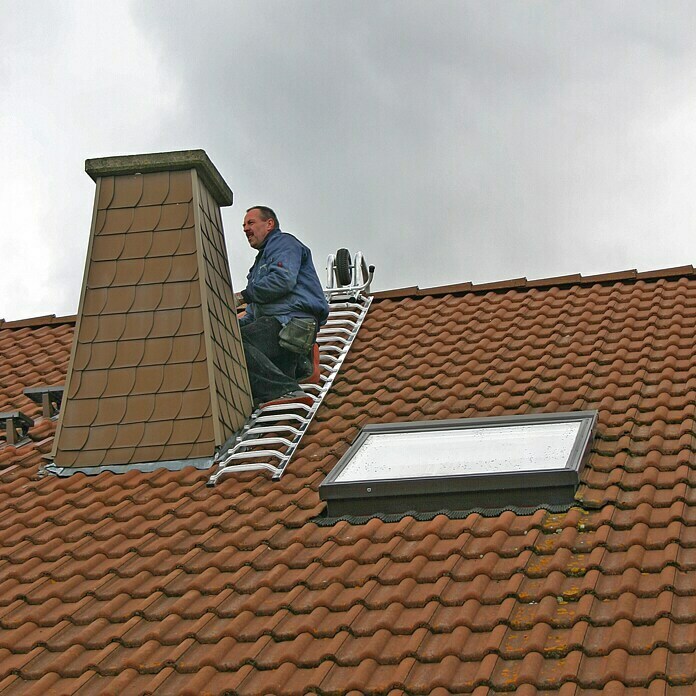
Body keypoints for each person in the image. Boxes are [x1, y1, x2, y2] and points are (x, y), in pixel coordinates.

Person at [234, 206, 329, 407]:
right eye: (243, 225)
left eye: (250, 223)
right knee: (268, 401)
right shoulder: (259, 265)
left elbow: (283, 279)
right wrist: (228, 324)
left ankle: (286, 389)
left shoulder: (284, 244)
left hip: (289, 322)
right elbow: (253, 313)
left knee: (234, 343)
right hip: (279, 328)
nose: (245, 229)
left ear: (269, 224)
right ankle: (300, 367)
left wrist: (242, 296)